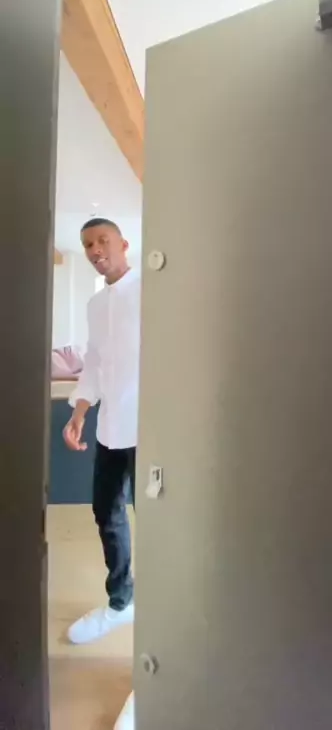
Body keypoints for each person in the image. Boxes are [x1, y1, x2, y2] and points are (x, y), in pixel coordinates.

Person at [63, 217, 139, 730]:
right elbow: (93, 365)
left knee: (166, 526)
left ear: (123, 244)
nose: (95, 250)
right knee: (106, 513)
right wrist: (79, 412)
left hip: (152, 427)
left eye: (103, 241)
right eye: (88, 244)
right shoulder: (95, 305)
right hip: (111, 428)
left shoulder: (150, 290)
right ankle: (121, 599)